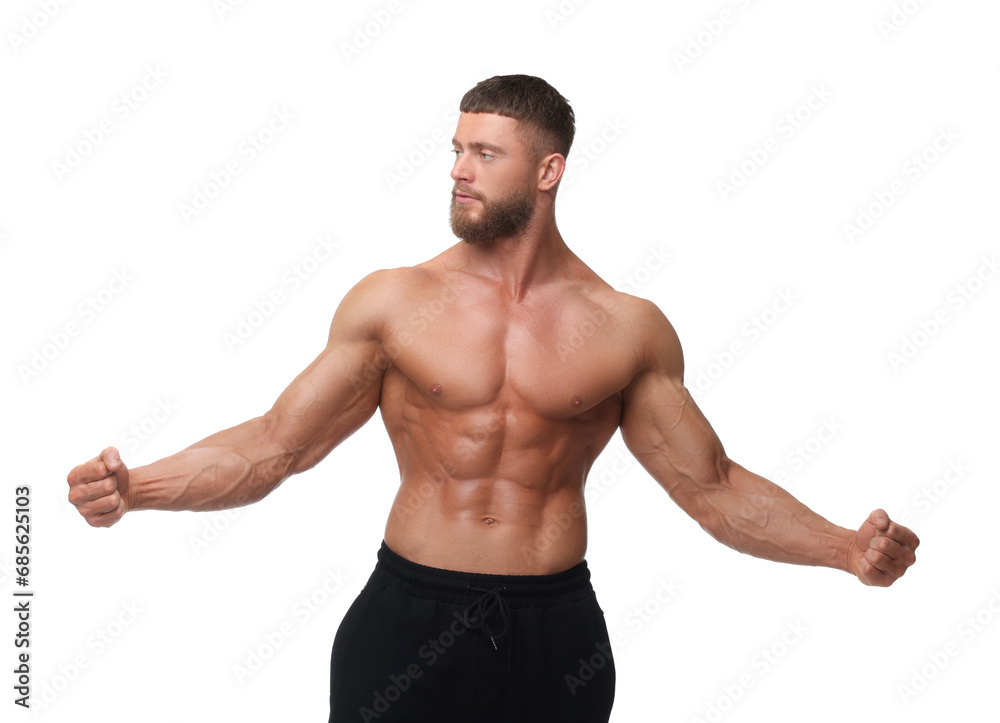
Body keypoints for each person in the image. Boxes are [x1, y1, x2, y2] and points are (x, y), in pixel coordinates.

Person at [66, 74, 919, 722]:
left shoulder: (626, 327)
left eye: (484, 153)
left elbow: (713, 488)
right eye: (456, 149)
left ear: (548, 170)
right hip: (406, 620)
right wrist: (137, 487)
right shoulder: (394, 302)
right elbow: (276, 443)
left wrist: (845, 548)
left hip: (556, 632)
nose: (457, 171)